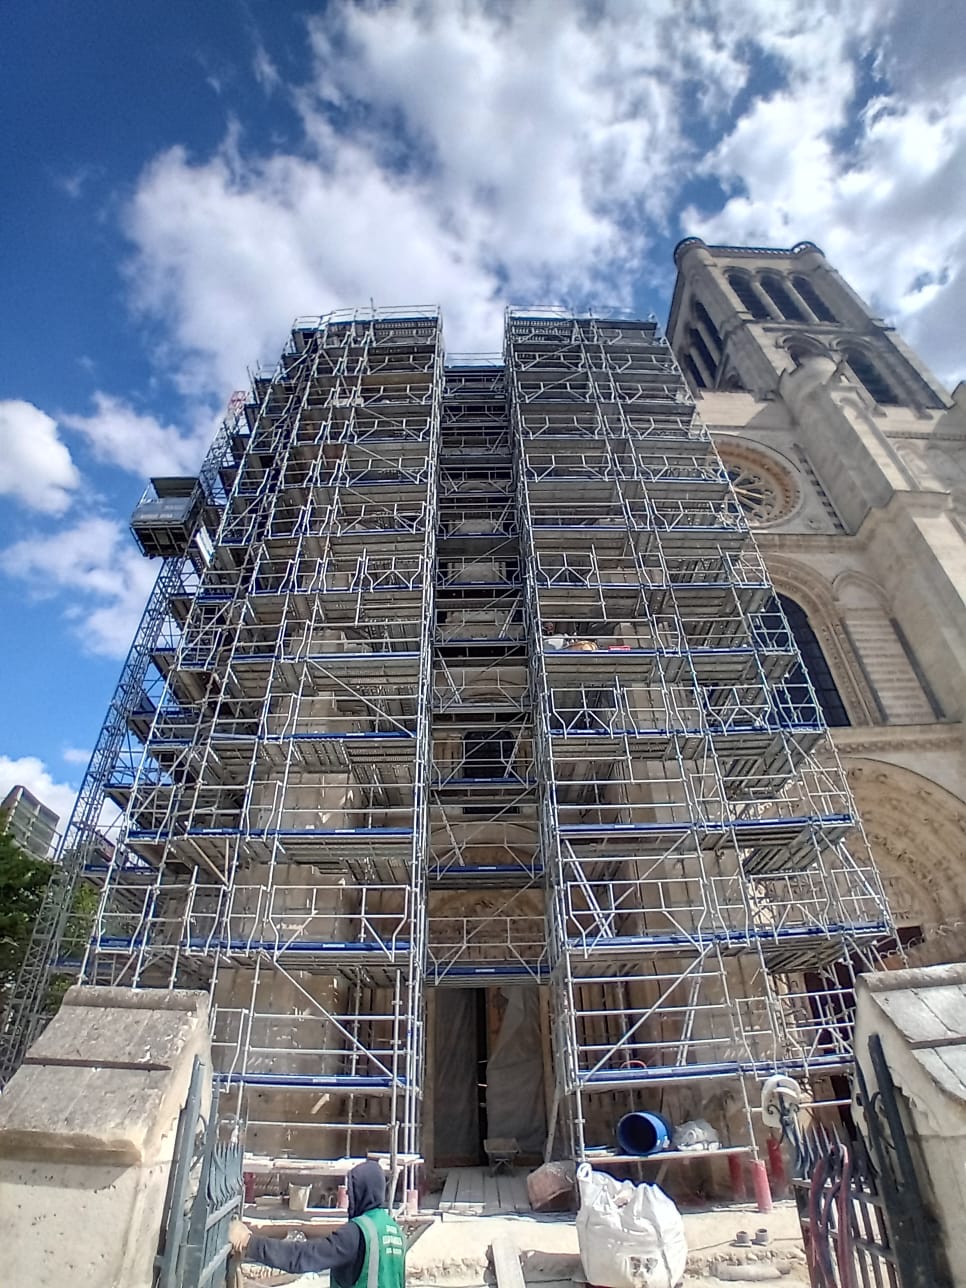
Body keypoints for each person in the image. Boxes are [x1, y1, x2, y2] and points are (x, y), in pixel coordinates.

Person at [229, 1159, 406, 1287]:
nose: (349, 1198)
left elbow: (304, 1256)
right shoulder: (394, 1229)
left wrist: (250, 1243)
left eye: (351, 1191)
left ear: (361, 1192)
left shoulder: (357, 1233)